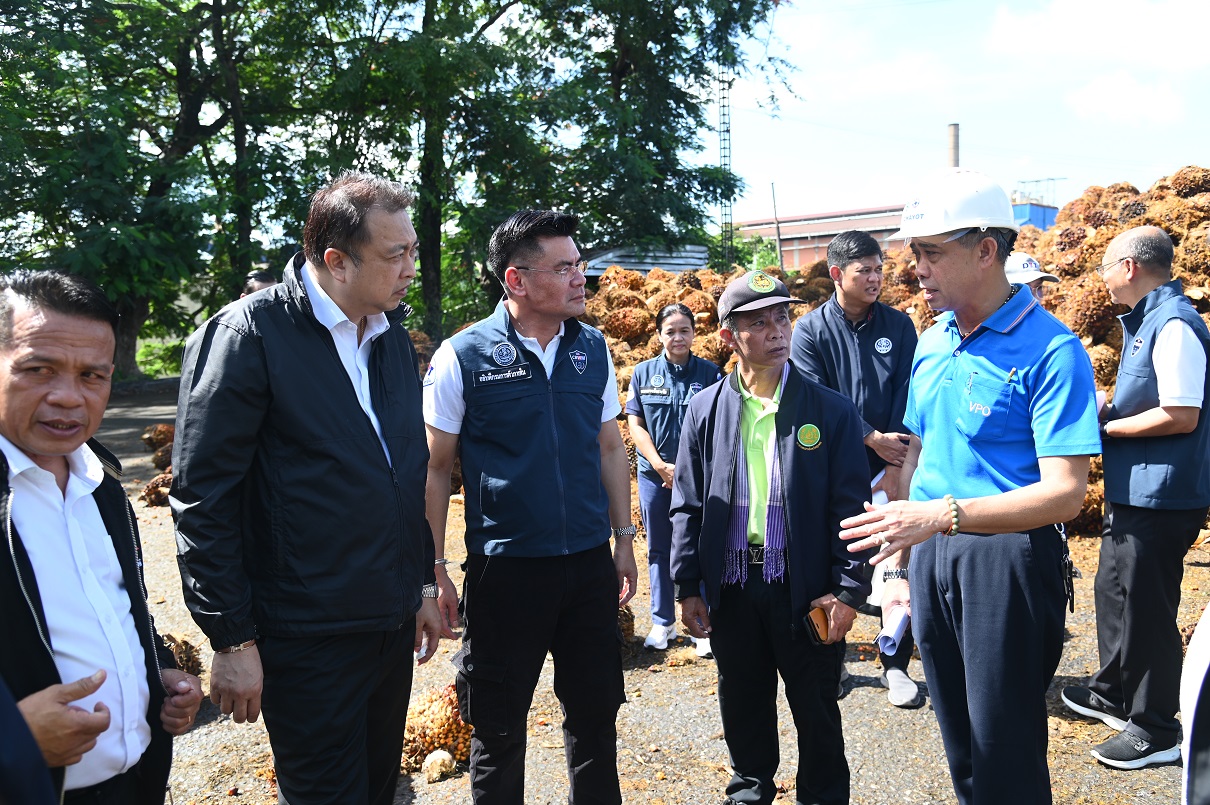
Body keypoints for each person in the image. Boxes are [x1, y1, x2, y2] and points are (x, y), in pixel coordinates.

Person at [171, 171, 441, 805]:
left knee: (379, 790)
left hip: (388, 623)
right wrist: (232, 637)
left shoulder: (389, 338)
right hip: (307, 634)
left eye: (413, 251)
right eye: (396, 254)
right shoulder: (249, 336)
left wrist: (421, 584)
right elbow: (203, 500)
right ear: (336, 261)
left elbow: (401, 472)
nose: (411, 268)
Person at [838, 169, 1101, 805]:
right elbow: (920, 450)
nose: (915, 270)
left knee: (1004, 744)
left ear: (986, 250)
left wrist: (940, 517)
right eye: (914, 254)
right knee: (958, 734)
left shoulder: (1052, 352)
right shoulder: (932, 342)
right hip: (933, 552)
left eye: (930, 253)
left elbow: (1067, 492)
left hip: (1004, 558)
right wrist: (902, 547)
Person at [423, 209, 638, 805]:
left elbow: (609, 447)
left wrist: (623, 539)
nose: (581, 279)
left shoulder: (590, 348)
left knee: (595, 719)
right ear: (516, 280)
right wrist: (433, 568)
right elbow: (434, 470)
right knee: (496, 725)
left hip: (588, 566)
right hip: (506, 571)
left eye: (580, 265)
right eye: (565, 267)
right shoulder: (461, 356)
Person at [0, 269, 202, 803]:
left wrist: (157, 670)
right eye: (39, 369)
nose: (69, 397)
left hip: (134, 783)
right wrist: (13, 743)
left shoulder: (101, 480)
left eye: (93, 376)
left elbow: (112, 603)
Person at [670, 270, 871, 805]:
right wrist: (687, 584)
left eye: (782, 317)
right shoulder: (705, 409)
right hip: (734, 586)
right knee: (742, 700)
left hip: (806, 588)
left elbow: (852, 508)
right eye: (758, 323)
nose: (777, 331)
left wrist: (848, 590)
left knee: (818, 710)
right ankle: (749, 790)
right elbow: (688, 504)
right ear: (729, 336)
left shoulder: (828, 409)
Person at [1061, 225, 1210, 770]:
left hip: (1163, 496)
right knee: (1114, 590)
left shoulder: (1173, 325)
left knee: (1148, 609)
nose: (1100, 278)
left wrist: (1109, 428)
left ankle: (1156, 728)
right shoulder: (1147, 322)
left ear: (1129, 268)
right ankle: (1115, 692)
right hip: (1136, 492)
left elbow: (1181, 412)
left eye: (1104, 267)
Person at [789, 229, 922, 707]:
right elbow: (815, 398)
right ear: (836, 275)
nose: (875, 277)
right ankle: (835, 658)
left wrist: (897, 462)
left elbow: (912, 392)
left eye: (879, 267)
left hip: (892, 464)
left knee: (897, 563)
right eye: (864, 269)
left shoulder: (899, 326)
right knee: (834, 562)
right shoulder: (809, 331)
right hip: (833, 467)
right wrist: (869, 437)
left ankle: (896, 662)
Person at [625, 302, 720, 656]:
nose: (678, 337)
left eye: (684, 330)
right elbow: (636, 424)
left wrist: (685, 470)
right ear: (658, 335)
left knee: (699, 546)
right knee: (659, 548)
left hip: (698, 479)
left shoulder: (711, 375)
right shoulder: (642, 374)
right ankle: (662, 620)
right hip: (655, 477)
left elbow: (717, 428)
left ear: (695, 333)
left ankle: (701, 626)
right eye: (670, 331)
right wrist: (660, 465)